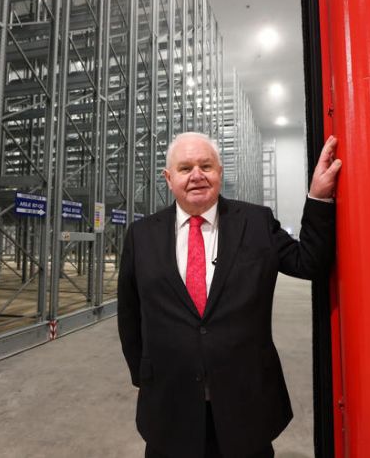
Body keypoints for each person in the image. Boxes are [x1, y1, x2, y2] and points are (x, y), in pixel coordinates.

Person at [118, 132, 341, 458]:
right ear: (168, 178)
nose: (197, 175)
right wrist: (144, 375)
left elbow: (308, 262)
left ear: (220, 172)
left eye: (206, 166)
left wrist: (318, 197)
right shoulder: (141, 235)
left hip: (245, 404)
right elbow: (130, 313)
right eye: (185, 168)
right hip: (169, 405)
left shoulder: (256, 222)